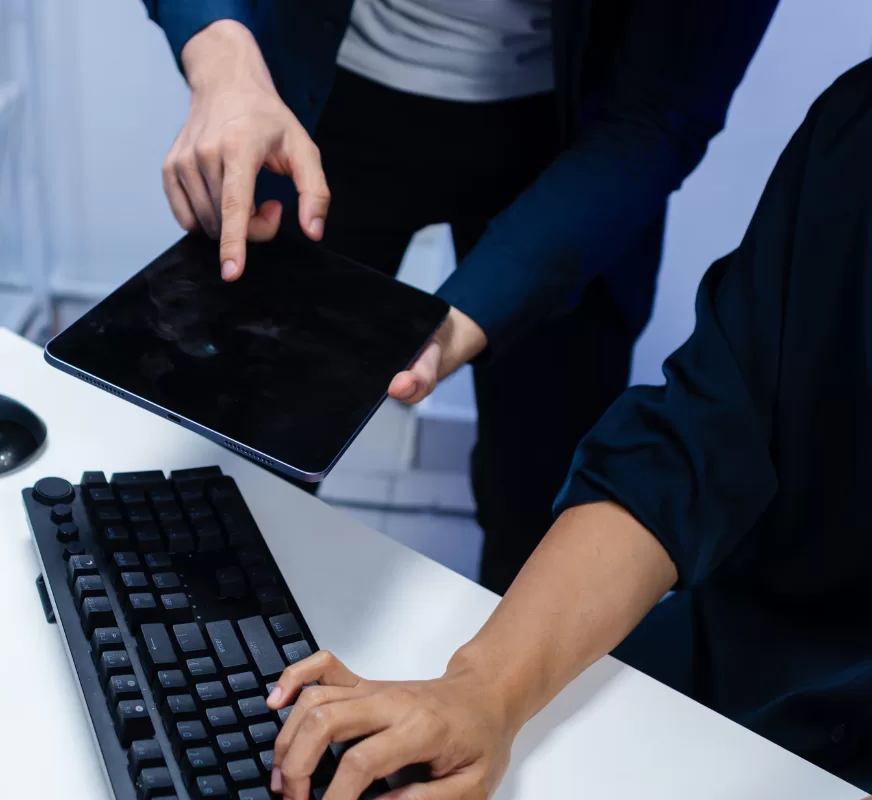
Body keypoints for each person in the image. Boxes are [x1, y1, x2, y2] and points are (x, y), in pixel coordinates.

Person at [256, 60, 872, 799]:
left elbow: (653, 118)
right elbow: (697, 439)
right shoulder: (855, 131)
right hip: (730, 666)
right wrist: (481, 690)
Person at [139, 0, 778, 593]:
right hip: (327, 91)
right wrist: (221, 55)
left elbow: (660, 112)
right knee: (244, 456)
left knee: (543, 494)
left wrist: (468, 317)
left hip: (571, 134)